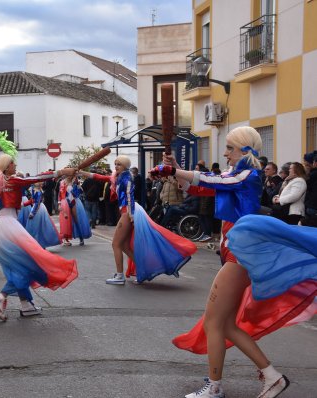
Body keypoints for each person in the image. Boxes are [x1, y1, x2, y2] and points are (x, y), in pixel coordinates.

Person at [154, 126, 292, 398]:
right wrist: (176, 168)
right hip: (234, 251)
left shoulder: (248, 174)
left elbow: (214, 181)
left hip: (241, 254)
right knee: (226, 324)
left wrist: (173, 171)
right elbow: (203, 185)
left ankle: (215, 386)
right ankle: (272, 376)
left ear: (244, 148)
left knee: (214, 323)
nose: (225, 153)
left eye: (230, 147)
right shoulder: (237, 173)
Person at [0, 155, 78, 321]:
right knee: (29, 264)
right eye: (12, 163)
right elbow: (36, 178)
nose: (15, 165)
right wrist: (62, 171)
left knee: (18, 266)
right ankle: (0, 297)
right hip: (9, 225)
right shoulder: (13, 181)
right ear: (7, 167)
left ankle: (26, 305)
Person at [80, 155, 196, 285]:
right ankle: (142, 270)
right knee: (124, 245)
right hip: (128, 212)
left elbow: (129, 196)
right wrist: (82, 173)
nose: (116, 166)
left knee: (116, 244)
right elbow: (101, 177)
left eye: (119, 164)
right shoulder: (119, 177)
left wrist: (131, 216)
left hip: (128, 213)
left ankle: (120, 276)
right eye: (115, 163)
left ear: (125, 166)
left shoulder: (126, 178)